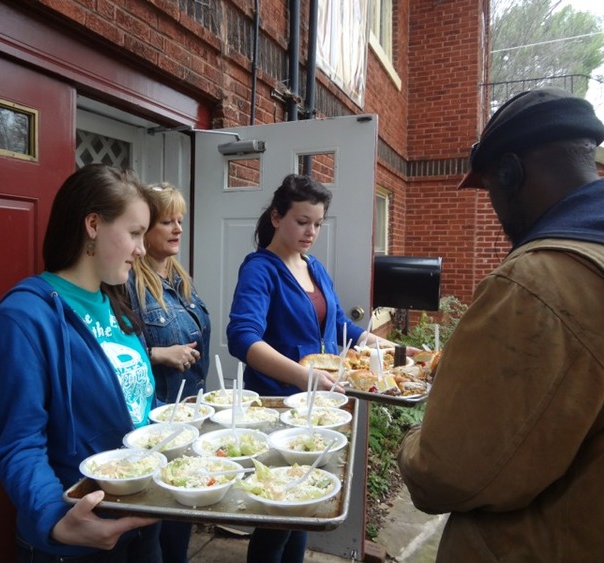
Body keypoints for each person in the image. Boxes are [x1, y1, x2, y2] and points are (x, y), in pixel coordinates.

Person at [397, 87, 604, 562]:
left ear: (510, 172)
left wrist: (416, 441)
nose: (495, 209)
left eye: (490, 189)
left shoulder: (539, 282)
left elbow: (445, 470)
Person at [0, 164, 162, 562]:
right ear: (93, 224)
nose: (142, 249)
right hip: (78, 535)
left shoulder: (116, 304)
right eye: (134, 233)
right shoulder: (23, 318)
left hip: (140, 518)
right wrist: (55, 518)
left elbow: (139, 408)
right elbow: (20, 443)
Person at [226, 173, 409, 563]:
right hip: (281, 407)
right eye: (302, 221)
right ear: (277, 218)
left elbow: (342, 326)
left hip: (320, 410)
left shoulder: (314, 267)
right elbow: (243, 338)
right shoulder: (261, 269)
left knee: (303, 507)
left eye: (318, 224)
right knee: (278, 513)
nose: (311, 231)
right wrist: (305, 377)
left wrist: (397, 352)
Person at [127, 182, 211, 563]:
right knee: (153, 531)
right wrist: (159, 353)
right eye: (167, 222)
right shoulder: (128, 283)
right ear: (144, 229)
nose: (178, 229)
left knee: (182, 521)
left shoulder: (181, 281)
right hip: (154, 427)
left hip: (190, 420)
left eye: (180, 220)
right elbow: (114, 354)